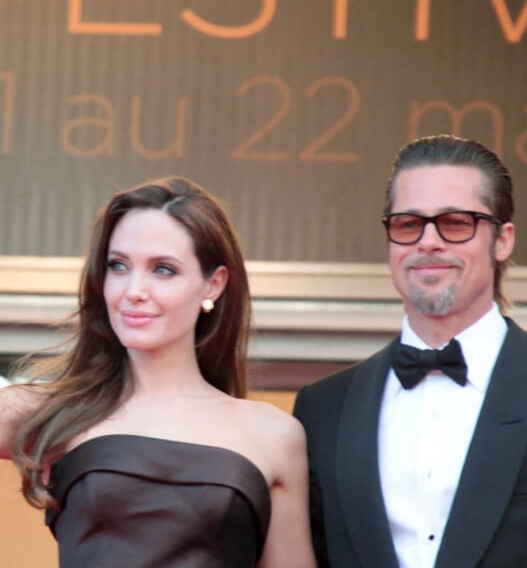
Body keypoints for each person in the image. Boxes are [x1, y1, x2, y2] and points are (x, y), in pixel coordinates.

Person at [293, 134, 527, 568]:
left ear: (503, 240)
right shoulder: (322, 409)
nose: (428, 241)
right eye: (409, 224)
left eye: (456, 222)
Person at [0, 176, 316, 568]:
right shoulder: (55, 410)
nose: (134, 289)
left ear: (213, 284)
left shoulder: (273, 434)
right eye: (118, 266)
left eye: (163, 270)